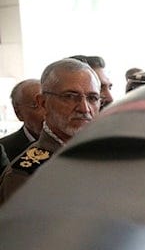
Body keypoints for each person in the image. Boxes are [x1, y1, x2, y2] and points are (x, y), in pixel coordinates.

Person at [0, 59, 100, 204]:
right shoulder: (25, 175)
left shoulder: (105, 153)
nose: (85, 108)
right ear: (43, 103)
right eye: (70, 96)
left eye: (93, 98)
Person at [0, 78, 43, 159]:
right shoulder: (3, 150)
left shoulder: (70, 144)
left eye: (47, 103)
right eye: (35, 105)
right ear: (18, 113)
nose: (46, 111)